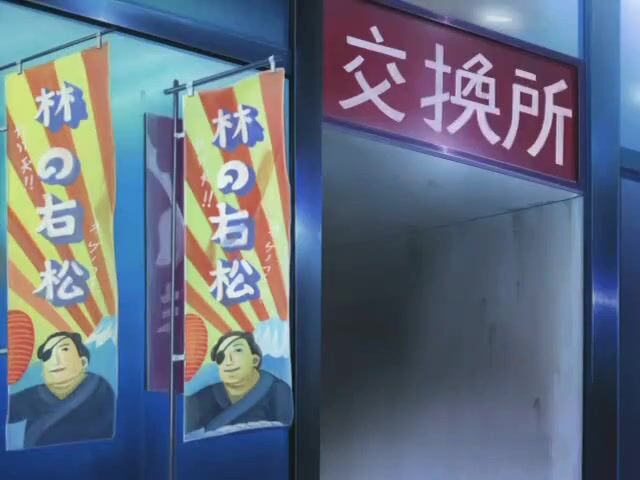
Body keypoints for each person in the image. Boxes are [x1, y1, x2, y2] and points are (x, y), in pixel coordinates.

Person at [8, 331, 115, 448]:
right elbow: (7, 409)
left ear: (83, 362)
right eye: (47, 355)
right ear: (43, 372)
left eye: (64, 349)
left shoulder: (99, 389)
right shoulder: (36, 395)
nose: (55, 360)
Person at [186, 331, 293, 434]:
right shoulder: (202, 398)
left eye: (238, 350)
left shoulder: (278, 392)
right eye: (221, 356)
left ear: (255, 360)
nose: (228, 361)